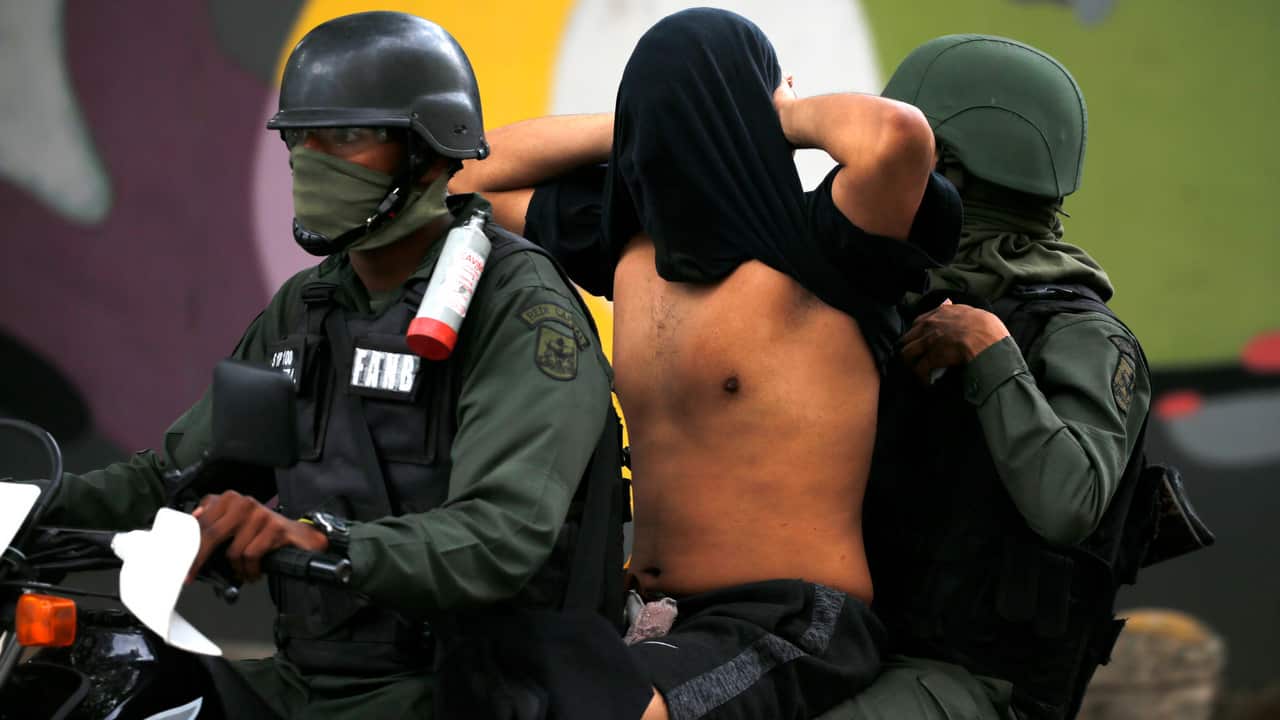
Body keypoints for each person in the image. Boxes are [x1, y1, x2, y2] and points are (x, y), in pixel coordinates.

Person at [38, 12, 634, 719]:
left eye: (345, 136)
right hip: (306, 684)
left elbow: (498, 537)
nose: (309, 158)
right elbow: (167, 477)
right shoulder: (310, 306)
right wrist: (31, 504)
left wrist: (320, 537)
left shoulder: (516, 308)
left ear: (430, 150)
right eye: (299, 136)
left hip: (473, 689)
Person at [453, 9, 961, 719]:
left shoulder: (827, 247)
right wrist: (642, 118)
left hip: (791, 616)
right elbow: (460, 175)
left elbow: (897, 138)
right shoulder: (626, 250)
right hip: (648, 612)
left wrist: (776, 111)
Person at [820, 35, 1156, 720]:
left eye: (899, 148)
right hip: (856, 637)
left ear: (944, 167)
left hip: (975, 680)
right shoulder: (895, 294)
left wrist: (989, 352)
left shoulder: (1080, 334)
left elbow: (1069, 503)